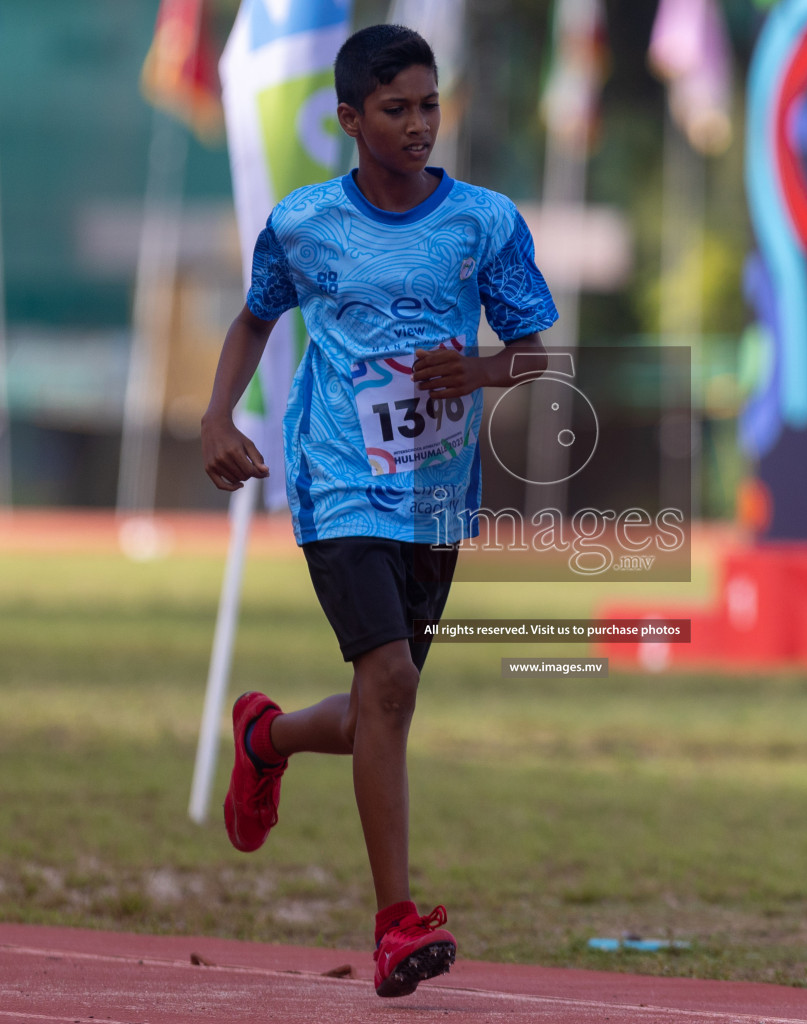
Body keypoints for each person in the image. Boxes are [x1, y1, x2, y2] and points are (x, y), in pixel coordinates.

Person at [199, 23, 556, 1000]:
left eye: (430, 104)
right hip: (337, 478)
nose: (419, 125)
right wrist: (218, 415)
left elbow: (533, 350)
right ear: (350, 119)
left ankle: (264, 737)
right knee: (390, 682)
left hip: (438, 495)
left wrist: (478, 370)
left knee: (376, 715)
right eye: (395, 109)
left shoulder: (484, 222)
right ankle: (397, 925)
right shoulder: (306, 222)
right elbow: (255, 316)